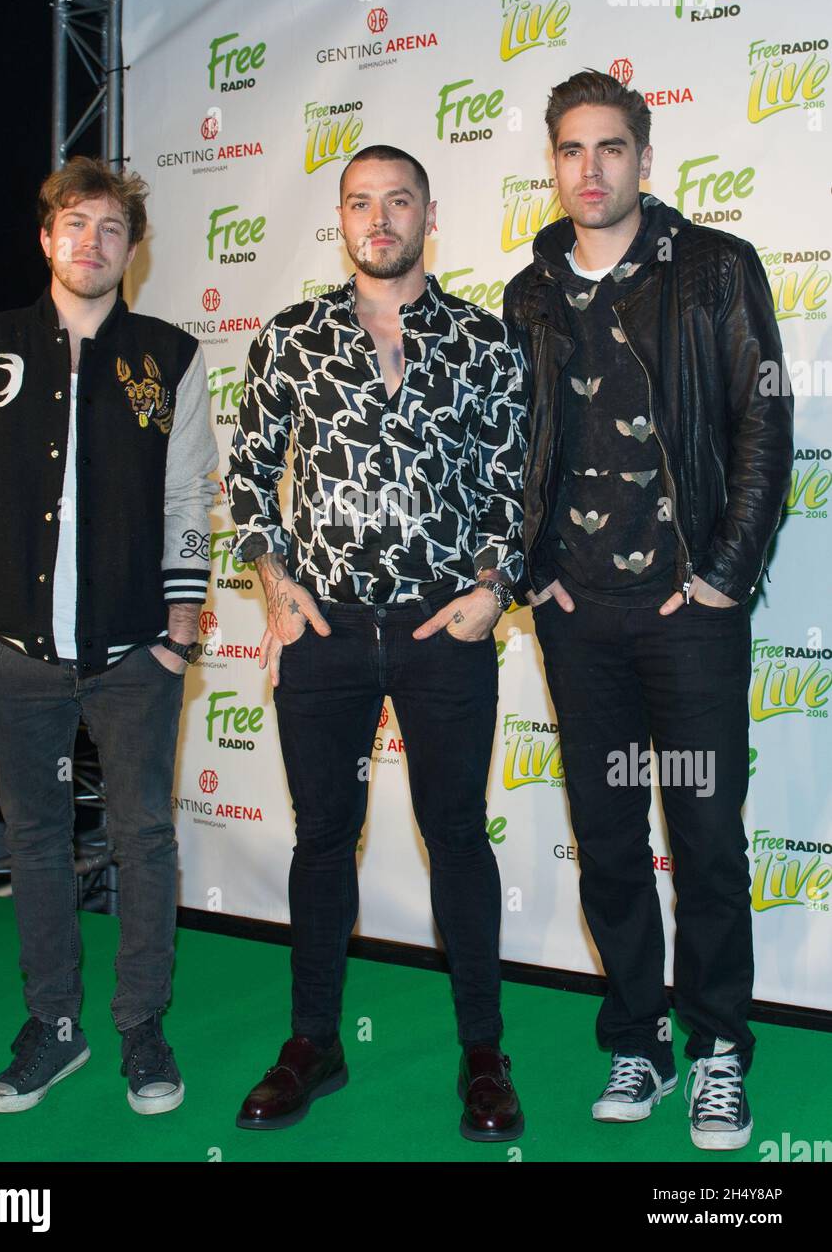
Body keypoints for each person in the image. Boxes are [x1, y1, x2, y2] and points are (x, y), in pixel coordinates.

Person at [503, 71, 793, 1150]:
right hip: (581, 621)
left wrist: (724, 572)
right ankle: (639, 1038)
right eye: (572, 150)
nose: (591, 169)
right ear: (553, 161)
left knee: (708, 834)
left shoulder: (714, 269)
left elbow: (765, 425)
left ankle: (718, 1049)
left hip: (690, 616)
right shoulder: (527, 291)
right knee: (611, 834)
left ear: (644, 157)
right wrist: (532, 571)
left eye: (611, 148)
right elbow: (511, 443)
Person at [227, 144, 528, 1141]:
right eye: (362, 203)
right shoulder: (288, 338)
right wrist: (273, 584)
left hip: (445, 630)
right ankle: (315, 1041)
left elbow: (513, 488)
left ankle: (483, 1054)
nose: (381, 218)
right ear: (342, 220)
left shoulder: (484, 341)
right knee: (321, 838)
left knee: (455, 834)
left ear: (428, 216)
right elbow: (244, 480)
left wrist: (492, 587)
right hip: (325, 634)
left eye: (400, 200)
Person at [0, 156, 218, 1116]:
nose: (91, 243)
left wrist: (179, 631)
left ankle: (141, 1028)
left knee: (143, 839)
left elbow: (188, 500)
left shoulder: (169, 357)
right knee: (37, 839)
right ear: (46, 236)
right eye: (75, 224)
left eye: (110, 230)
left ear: (132, 251)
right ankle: (54, 1029)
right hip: (11, 655)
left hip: (138, 654)